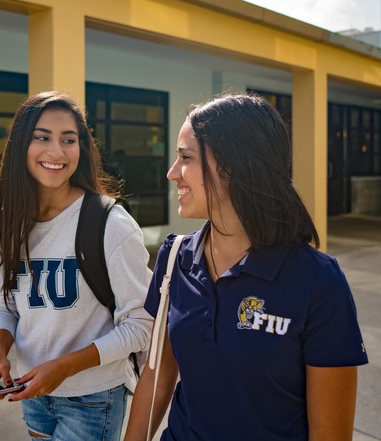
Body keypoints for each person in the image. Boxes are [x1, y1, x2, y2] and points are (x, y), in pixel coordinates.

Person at [124, 93, 368, 441]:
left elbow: (330, 435)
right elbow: (156, 376)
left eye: (186, 158)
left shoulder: (318, 281)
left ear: (234, 166)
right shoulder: (173, 258)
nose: (171, 173)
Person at [0, 91, 153, 441]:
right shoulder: (11, 221)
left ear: (82, 148)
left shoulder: (110, 223)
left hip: (93, 399)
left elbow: (141, 324)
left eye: (69, 140)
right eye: (42, 138)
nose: (56, 152)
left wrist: (63, 368)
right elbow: (4, 304)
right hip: (32, 392)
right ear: (20, 147)